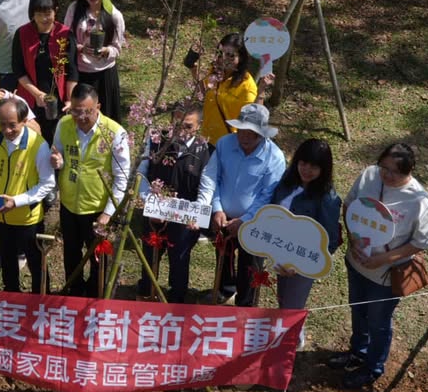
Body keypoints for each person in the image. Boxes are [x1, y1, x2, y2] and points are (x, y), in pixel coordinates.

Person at [330, 142, 428, 389]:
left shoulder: (419, 200)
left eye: (395, 172)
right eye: (383, 167)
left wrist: (382, 260)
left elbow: (421, 243)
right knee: (357, 309)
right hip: (356, 263)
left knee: (378, 321)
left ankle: (373, 366)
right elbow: (350, 205)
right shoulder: (369, 175)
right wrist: (353, 238)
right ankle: (358, 351)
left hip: (385, 275)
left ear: (409, 171)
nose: (386, 175)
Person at [195, 103, 286, 306]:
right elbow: (213, 177)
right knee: (223, 255)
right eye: (241, 131)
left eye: (250, 133)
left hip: (255, 222)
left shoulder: (275, 157)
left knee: (250, 265)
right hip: (224, 217)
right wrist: (217, 208)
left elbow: (267, 195)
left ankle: (246, 304)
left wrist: (245, 220)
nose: (244, 137)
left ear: (261, 134)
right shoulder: (224, 144)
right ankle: (225, 290)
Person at [50, 83, 130, 297]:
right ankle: (74, 292)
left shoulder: (114, 132)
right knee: (71, 253)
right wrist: (57, 162)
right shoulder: (64, 125)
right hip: (69, 204)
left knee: (99, 258)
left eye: (87, 112)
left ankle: (97, 294)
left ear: (98, 107)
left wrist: (108, 213)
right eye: (76, 111)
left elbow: (121, 177)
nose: (81, 117)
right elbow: (58, 155)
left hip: (98, 208)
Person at [0, 98, 55, 293]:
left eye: (12, 126)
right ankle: (11, 295)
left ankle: (41, 297)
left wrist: (16, 201)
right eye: (2, 124)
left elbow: (47, 184)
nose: (7, 130)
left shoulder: (38, 145)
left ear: (24, 121)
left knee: (35, 261)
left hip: (26, 217)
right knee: (7, 258)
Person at [136, 104, 213, 302]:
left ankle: (177, 297)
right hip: (155, 210)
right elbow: (141, 173)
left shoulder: (204, 150)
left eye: (187, 126)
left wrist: (197, 214)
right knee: (150, 252)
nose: (180, 131)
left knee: (180, 257)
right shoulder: (155, 140)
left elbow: (207, 185)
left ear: (199, 126)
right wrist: (147, 201)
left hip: (184, 214)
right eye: (176, 124)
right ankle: (146, 289)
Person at [270, 138, 341, 346]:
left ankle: (289, 342)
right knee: (283, 297)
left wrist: (301, 265)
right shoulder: (286, 183)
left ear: (324, 169)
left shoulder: (327, 198)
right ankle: (290, 332)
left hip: (302, 262)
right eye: (303, 163)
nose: (307, 170)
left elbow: (330, 240)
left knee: (292, 303)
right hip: (280, 252)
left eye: (314, 166)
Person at [63, 0, 125, 122]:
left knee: (106, 118)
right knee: (82, 117)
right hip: (80, 73)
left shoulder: (114, 15)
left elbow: (117, 47)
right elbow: (66, 39)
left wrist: (106, 51)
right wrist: (80, 48)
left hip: (105, 74)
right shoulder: (74, 9)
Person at [13, 0, 71, 146]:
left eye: (48, 13)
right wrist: (37, 94)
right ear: (32, 13)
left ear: (56, 11)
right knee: (32, 140)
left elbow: (72, 70)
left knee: (57, 141)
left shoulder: (65, 34)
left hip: (58, 100)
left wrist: (70, 99)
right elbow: (18, 69)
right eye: (39, 14)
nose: (44, 18)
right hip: (31, 96)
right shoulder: (22, 33)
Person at [194, 32, 274, 145]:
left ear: (241, 58)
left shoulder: (246, 86)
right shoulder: (214, 71)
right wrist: (193, 68)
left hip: (228, 144)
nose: (224, 59)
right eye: (220, 54)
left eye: (231, 56)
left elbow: (256, 118)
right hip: (205, 138)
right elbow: (203, 94)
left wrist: (261, 91)